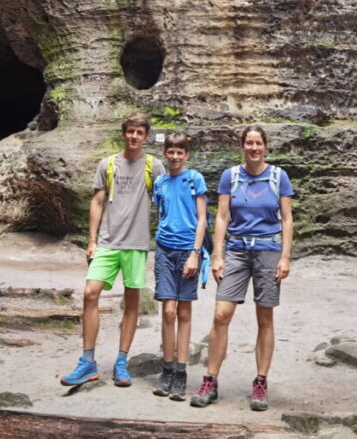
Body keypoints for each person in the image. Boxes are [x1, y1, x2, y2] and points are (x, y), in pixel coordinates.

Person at [190, 125, 294, 412]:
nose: (253, 148)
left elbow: (287, 219)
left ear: (265, 146)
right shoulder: (231, 176)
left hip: (268, 251)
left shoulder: (278, 176)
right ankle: (210, 380)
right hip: (236, 250)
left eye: (258, 143)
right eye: (249, 143)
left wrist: (285, 257)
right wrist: (218, 255)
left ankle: (260, 382)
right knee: (221, 315)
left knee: (265, 316)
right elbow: (222, 217)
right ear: (242, 146)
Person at [60, 112, 165, 388]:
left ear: (145, 136)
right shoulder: (107, 164)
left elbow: (165, 200)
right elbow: (97, 202)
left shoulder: (154, 166)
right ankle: (87, 361)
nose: (134, 137)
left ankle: (121, 361)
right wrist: (92, 240)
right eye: (130, 131)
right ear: (124, 133)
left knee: (131, 303)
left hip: (136, 244)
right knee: (90, 293)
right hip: (107, 242)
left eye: (139, 133)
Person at [151, 132, 209, 401]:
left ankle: (181, 373)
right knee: (168, 311)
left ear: (186, 154)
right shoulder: (160, 181)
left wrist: (195, 254)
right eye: (170, 152)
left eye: (180, 152)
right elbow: (161, 214)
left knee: (184, 312)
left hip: (188, 251)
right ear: (165, 153)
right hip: (164, 249)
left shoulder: (194, 178)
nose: (175, 156)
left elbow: (201, 219)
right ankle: (167, 369)